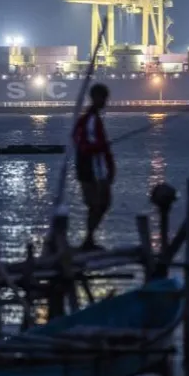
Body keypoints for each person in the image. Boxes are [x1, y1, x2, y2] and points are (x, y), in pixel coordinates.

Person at [72, 83, 115, 251]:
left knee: (98, 204)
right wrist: (101, 147)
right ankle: (88, 241)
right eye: (104, 98)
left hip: (90, 168)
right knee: (99, 204)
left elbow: (78, 139)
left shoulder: (90, 119)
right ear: (96, 98)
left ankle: (89, 239)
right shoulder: (90, 120)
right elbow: (84, 145)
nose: (105, 102)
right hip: (92, 170)